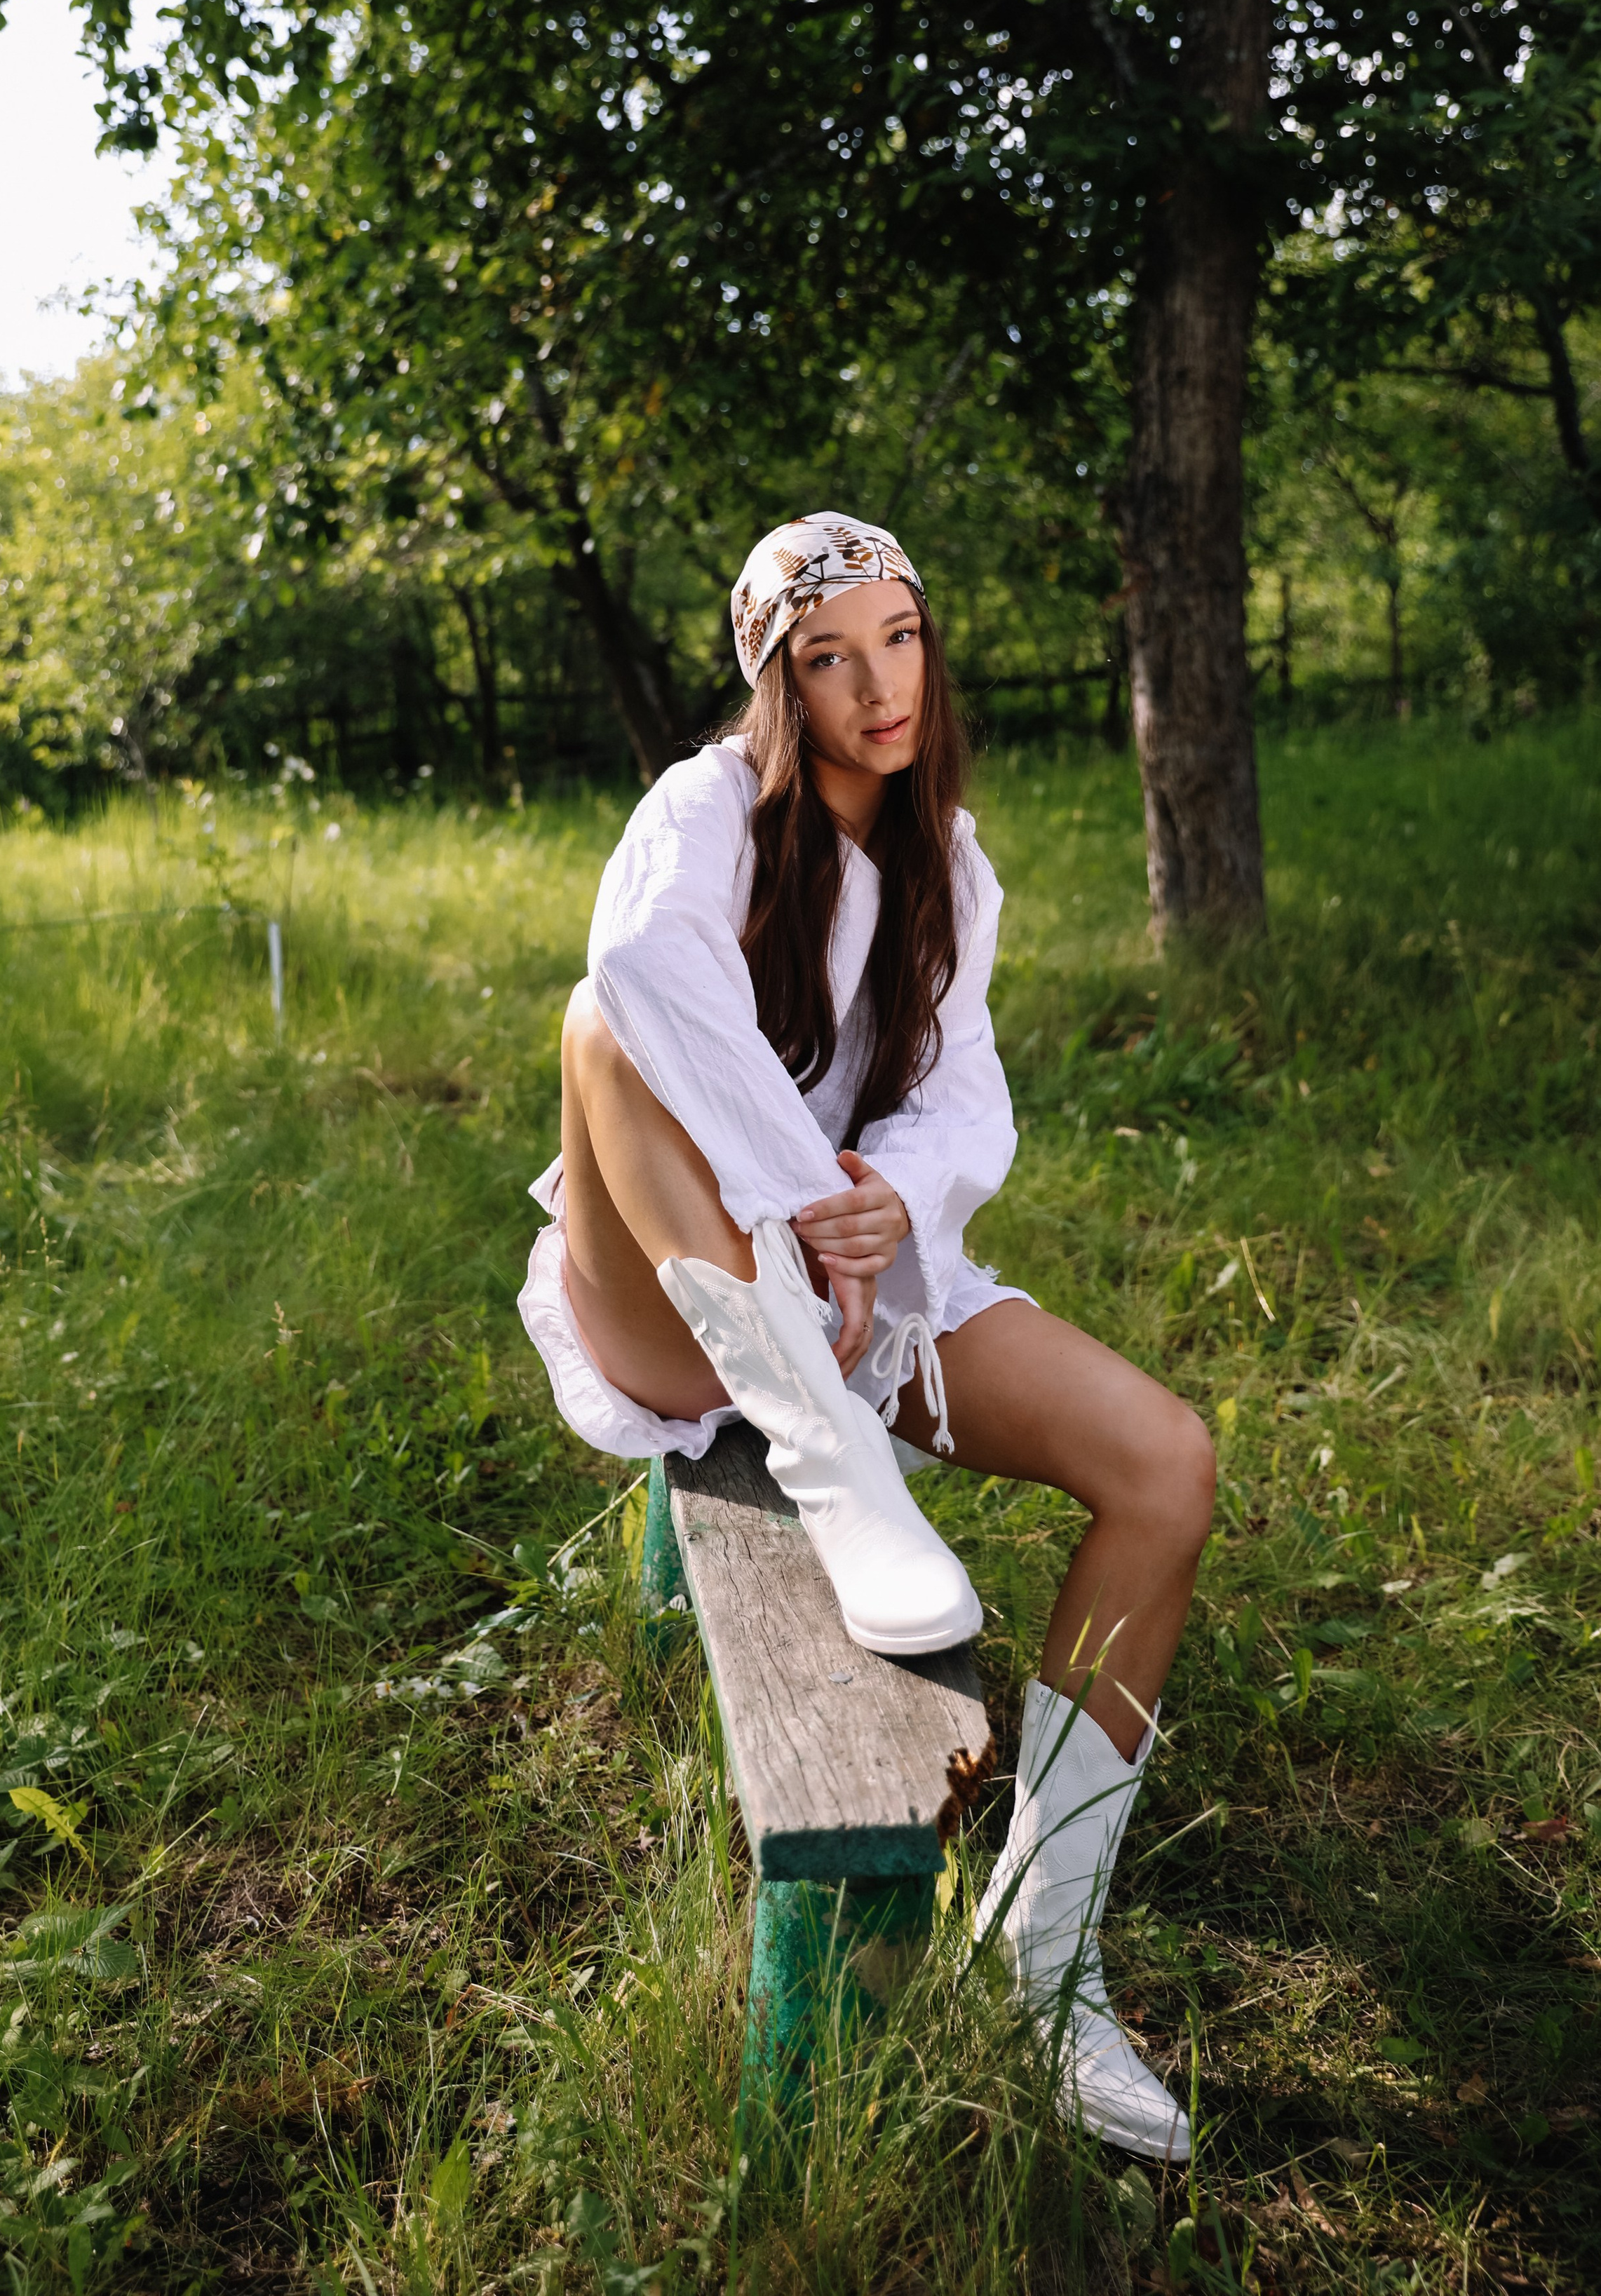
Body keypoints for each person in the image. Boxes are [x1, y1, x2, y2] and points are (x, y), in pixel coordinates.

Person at [518, 511, 1215, 2163]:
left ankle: (1046, 1951)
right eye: (825, 657)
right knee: (598, 1010)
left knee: (1165, 1467)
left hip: (859, 1292)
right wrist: (791, 1201)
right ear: (777, 679)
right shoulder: (703, 809)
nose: (872, 685)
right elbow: (639, 961)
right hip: (680, 1303)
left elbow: (962, 1090)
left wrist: (884, 1206)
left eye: (896, 639)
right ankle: (833, 1472)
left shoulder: (948, 863)